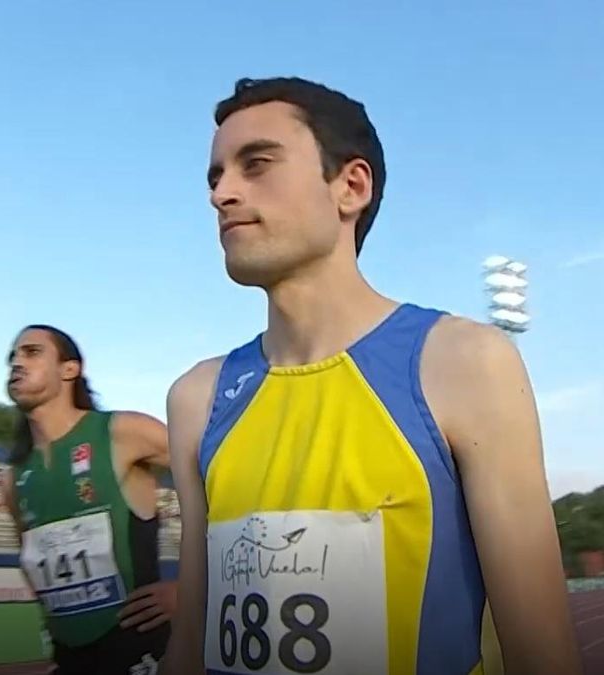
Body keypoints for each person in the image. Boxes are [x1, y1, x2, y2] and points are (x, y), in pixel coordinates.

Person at [163, 77, 582, 675]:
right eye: (215, 175)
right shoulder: (196, 399)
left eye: (256, 164)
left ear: (350, 187)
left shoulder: (464, 364)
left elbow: (544, 656)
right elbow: (192, 642)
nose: (221, 193)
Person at [3, 325, 175, 675]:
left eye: (32, 352)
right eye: (13, 357)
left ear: (70, 369)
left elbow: (222, 475)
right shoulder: (13, 479)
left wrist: (191, 588)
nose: (16, 363)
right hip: (70, 657)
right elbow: (34, 562)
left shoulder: (124, 433)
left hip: (142, 649)